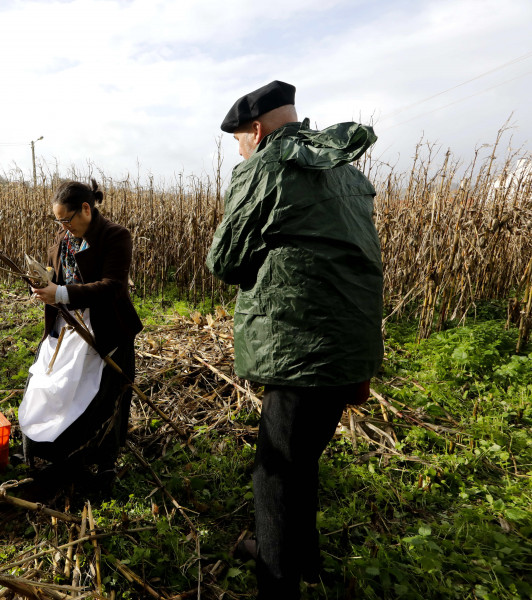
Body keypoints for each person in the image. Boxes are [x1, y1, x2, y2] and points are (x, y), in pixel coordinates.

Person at [206, 81, 383, 598]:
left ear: (255, 131)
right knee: (304, 455)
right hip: (349, 345)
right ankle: (302, 556)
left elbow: (225, 261)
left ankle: (276, 583)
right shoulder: (344, 168)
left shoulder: (266, 167)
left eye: (238, 139)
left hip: (300, 347)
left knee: (275, 471)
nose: (239, 149)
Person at [19, 179, 143, 490]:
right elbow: (54, 278)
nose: (63, 226)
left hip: (106, 331)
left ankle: (105, 463)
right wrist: (41, 286)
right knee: (58, 389)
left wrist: (60, 293)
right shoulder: (63, 243)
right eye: (58, 221)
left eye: (66, 219)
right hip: (68, 330)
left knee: (106, 398)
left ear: (85, 209)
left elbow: (113, 286)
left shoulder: (115, 237)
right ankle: (61, 453)